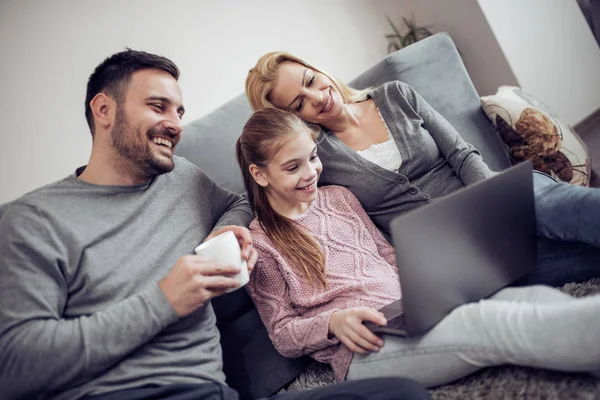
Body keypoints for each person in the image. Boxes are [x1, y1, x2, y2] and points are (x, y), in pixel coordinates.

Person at [0, 50, 431, 400]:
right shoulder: (33, 221)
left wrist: (225, 230)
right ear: (103, 109)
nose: (175, 123)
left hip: (214, 392)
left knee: (401, 395)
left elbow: (242, 204)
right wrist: (165, 301)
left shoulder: (181, 178)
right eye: (157, 106)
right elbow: (13, 367)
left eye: (179, 110)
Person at [236, 107, 600, 388]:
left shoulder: (340, 197)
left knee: (527, 298)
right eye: (292, 167)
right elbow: (283, 332)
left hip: (410, 311)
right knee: (489, 324)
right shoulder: (260, 242)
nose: (311, 172)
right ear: (260, 174)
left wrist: (430, 285)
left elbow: (387, 255)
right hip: (363, 350)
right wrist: (332, 322)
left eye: (313, 157)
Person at [245, 52, 600, 288]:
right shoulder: (317, 159)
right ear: (292, 118)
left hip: (492, 196)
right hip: (456, 253)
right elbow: (268, 193)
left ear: (319, 70)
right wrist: (229, 230)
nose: (317, 96)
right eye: (299, 103)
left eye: (310, 80)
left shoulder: (396, 95)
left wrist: (488, 203)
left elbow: (462, 154)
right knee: (559, 263)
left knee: (556, 206)